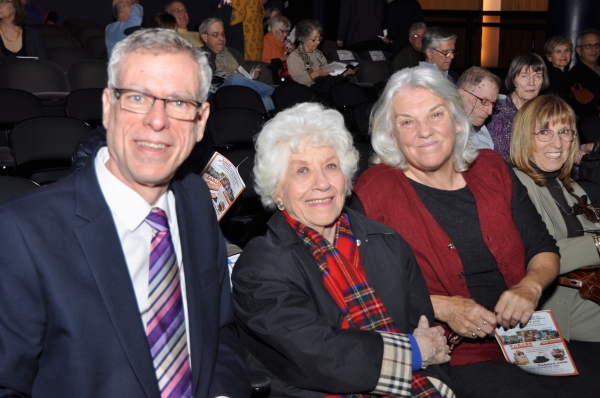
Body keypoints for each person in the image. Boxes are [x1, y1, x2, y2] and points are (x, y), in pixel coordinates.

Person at [0, 28, 250, 396]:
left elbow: (218, 330)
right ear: (107, 106)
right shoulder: (22, 234)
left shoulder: (196, 199)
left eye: (179, 102)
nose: (157, 120)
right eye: (137, 97)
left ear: (201, 121)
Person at [349, 67, 593, 396]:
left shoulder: (492, 168)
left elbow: (543, 248)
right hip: (456, 353)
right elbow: (356, 287)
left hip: (527, 336)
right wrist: (442, 307)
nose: (424, 131)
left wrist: (530, 287)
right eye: (407, 121)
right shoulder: (375, 191)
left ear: (455, 118)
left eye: (435, 115)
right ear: (392, 134)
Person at [232, 102, 454, 397]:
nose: (321, 183)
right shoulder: (260, 265)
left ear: (346, 177)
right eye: (301, 170)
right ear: (277, 190)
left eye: (330, 166)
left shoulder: (388, 241)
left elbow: (427, 334)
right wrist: (412, 352)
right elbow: (323, 356)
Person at [510, 94, 600, 343]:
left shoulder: (570, 188)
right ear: (524, 137)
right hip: (560, 305)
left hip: (588, 288)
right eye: (544, 133)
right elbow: (532, 253)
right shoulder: (514, 185)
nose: (557, 143)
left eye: (564, 132)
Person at [199, 17, 275, 111]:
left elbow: (248, 80)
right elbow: (202, 84)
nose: (221, 38)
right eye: (216, 35)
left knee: (266, 100)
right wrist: (229, 78)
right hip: (219, 96)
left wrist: (253, 76)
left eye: (223, 34)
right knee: (234, 78)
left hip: (242, 93)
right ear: (204, 37)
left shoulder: (234, 53)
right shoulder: (199, 55)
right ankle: (275, 92)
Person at [487, 53, 548, 160]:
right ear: (514, 79)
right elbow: (503, 160)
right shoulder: (499, 116)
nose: (532, 83)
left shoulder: (545, 110)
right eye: (524, 76)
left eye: (537, 76)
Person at [287, 19, 355, 88]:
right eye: (314, 39)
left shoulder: (318, 53)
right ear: (304, 38)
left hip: (324, 88)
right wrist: (316, 74)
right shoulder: (295, 56)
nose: (318, 42)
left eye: (319, 38)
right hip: (308, 92)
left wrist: (345, 73)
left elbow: (329, 77)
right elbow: (298, 81)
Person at [457, 66, 501, 150]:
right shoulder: (448, 134)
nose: (490, 111)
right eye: (484, 101)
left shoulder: (482, 130)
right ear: (462, 95)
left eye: (493, 104)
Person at [568, 29, 600, 121]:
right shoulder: (575, 76)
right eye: (588, 46)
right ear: (578, 50)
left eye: (597, 45)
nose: (593, 49)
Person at [544, 35, 573, 101]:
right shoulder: (550, 77)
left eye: (567, 50)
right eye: (558, 51)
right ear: (549, 57)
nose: (564, 55)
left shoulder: (568, 76)